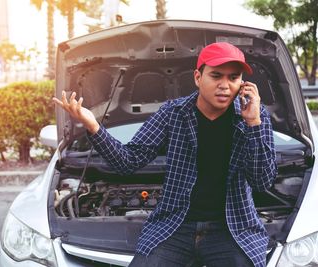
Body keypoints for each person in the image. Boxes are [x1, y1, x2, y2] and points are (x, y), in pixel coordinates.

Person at [53, 42, 277, 267]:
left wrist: (253, 124)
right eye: (216, 76)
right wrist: (93, 126)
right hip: (175, 225)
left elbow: (262, 181)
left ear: (242, 83)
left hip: (233, 227)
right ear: (198, 78)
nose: (225, 86)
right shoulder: (173, 113)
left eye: (233, 78)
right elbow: (127, 162)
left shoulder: (255, 117)